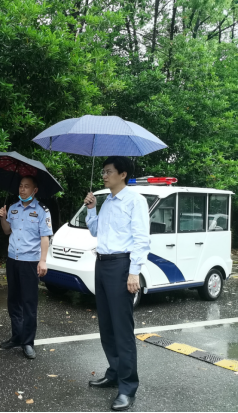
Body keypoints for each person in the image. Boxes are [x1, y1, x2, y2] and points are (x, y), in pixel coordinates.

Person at [84, 156, 150, 412]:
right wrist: (92, 208)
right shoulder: (108, 201)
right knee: (107, 325)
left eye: (108, 171)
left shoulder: (135, 201)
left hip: (121, 266)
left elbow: (141, 239)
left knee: (122, 328)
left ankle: (128, 386)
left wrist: (134, 273)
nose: (104, 175)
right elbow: (95, 231)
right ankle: (114, 373)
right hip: (102, 264)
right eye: (102, 171)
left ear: (122, 174)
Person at [0, 176, 53, 360]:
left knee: (29, 303)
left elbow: (45, 237)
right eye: (20, 186)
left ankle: (28, 342)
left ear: (34, 190)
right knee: (13, 301)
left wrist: (43, 261)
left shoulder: (42, 211)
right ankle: (17, 336)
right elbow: (7, 230)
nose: (22, 189)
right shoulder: (13, 208)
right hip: (13, 259)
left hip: (30, 262)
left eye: (26, 186)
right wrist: (3, 218)